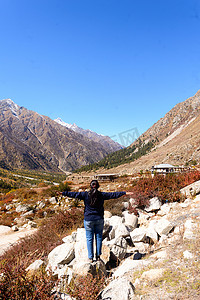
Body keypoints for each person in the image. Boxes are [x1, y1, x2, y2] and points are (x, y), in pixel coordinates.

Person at [59, 180, 133, 262]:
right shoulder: (101, 195)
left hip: (88, 220)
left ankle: (90, 257)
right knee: (98, 237)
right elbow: (113, 195)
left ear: (90, 186)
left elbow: (73, 194)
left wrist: (63, 193)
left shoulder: (85, 194)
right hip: (99, 219)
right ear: (98, 186)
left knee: (89, 238)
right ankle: (98, 256)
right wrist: (124, 193)